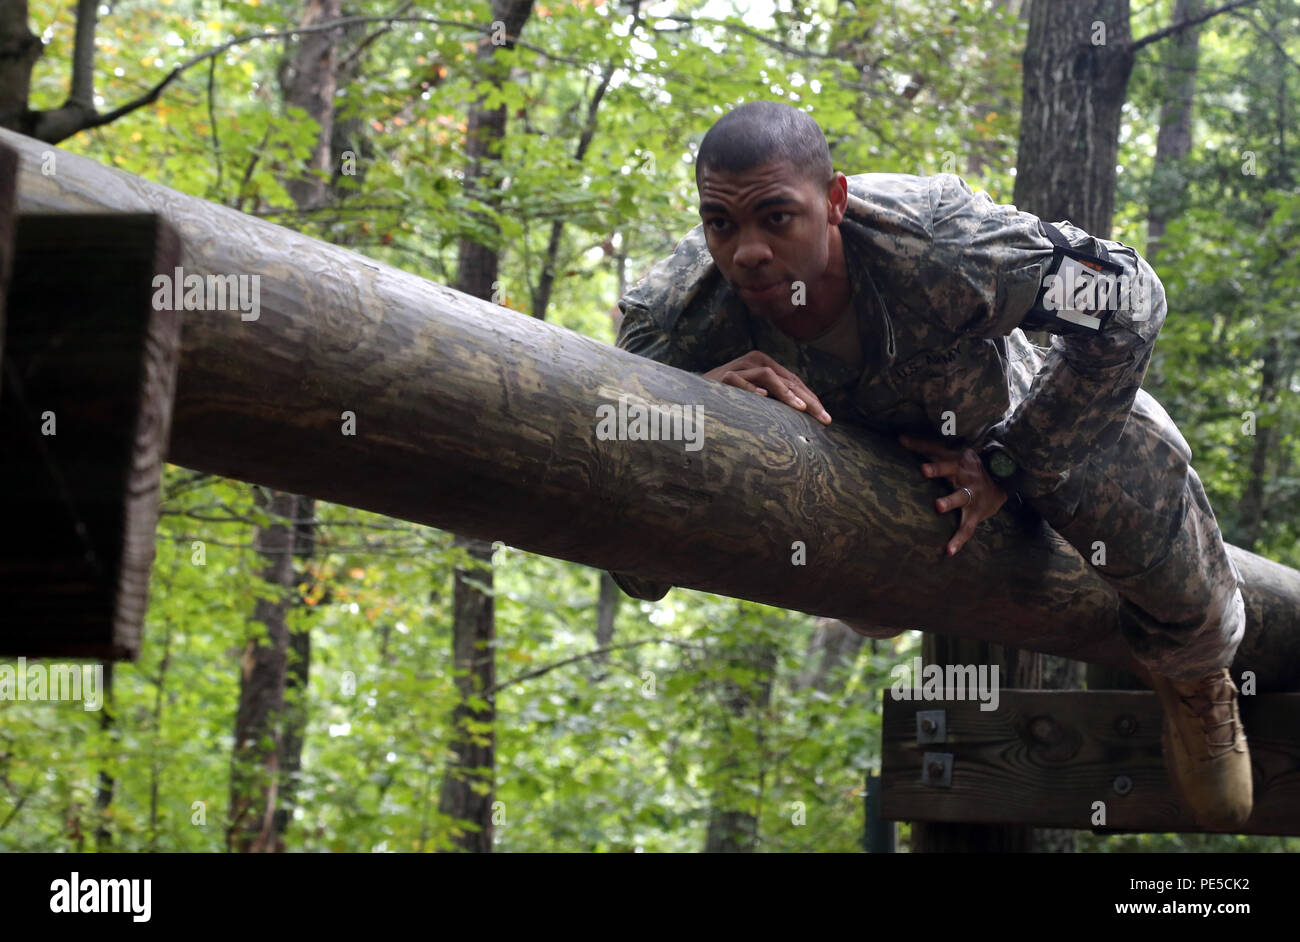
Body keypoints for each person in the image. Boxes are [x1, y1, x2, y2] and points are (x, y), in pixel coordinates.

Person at [610, 100, 1251, 830]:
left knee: (1133, 454)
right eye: (720, 223)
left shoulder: (945, 242)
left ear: (836, 202)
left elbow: (1128, 299)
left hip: (1006, 426)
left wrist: (1011, 466)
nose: (746, 251)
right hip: (868, 511)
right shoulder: (679, 314)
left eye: (776, 217)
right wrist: (698, 405)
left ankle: (1197, 676)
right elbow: (635, 562)